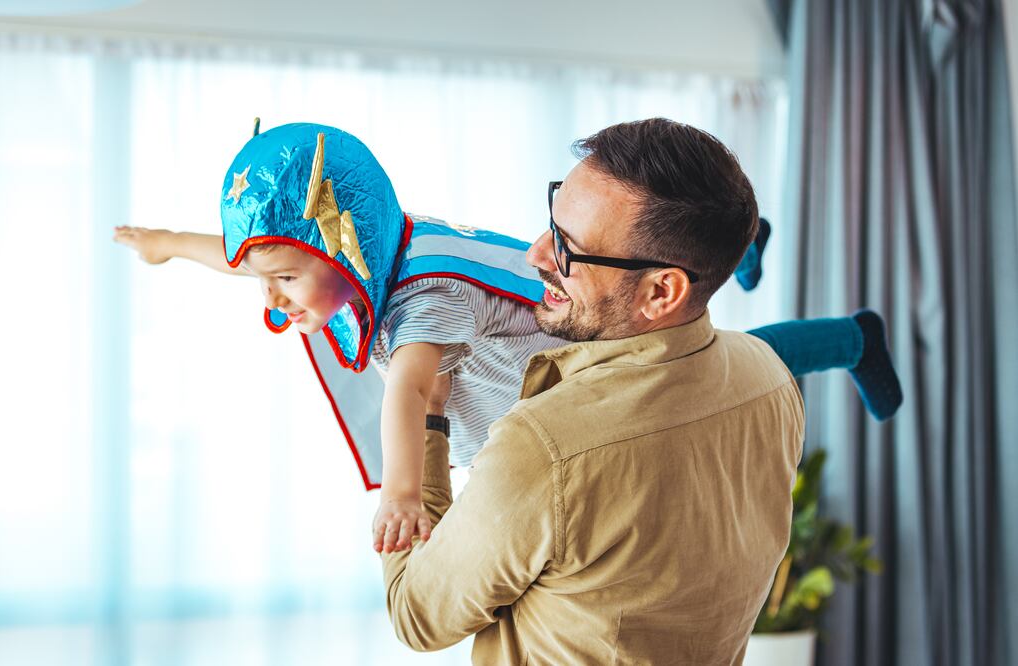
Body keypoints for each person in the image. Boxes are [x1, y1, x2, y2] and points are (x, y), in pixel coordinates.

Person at [113, 122, 901, 562]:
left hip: (596, 363)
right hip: (556, 340)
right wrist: (166, 243)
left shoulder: (422, 302)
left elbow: (412, 393)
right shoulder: (361, 258)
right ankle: (737, 237)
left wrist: (401, 492)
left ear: (341, 249)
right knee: (670, 269)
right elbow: (253, 250)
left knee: (742, 358)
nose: (271, 298)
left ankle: (847, 335)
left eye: (283, 280)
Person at [376, 117, 801, 664]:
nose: (534, 255)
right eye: (549, 225)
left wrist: (430, 416)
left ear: (661, 290)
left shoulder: (542, 450)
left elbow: (417, 615)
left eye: (566, 248)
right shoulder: (769, 377)